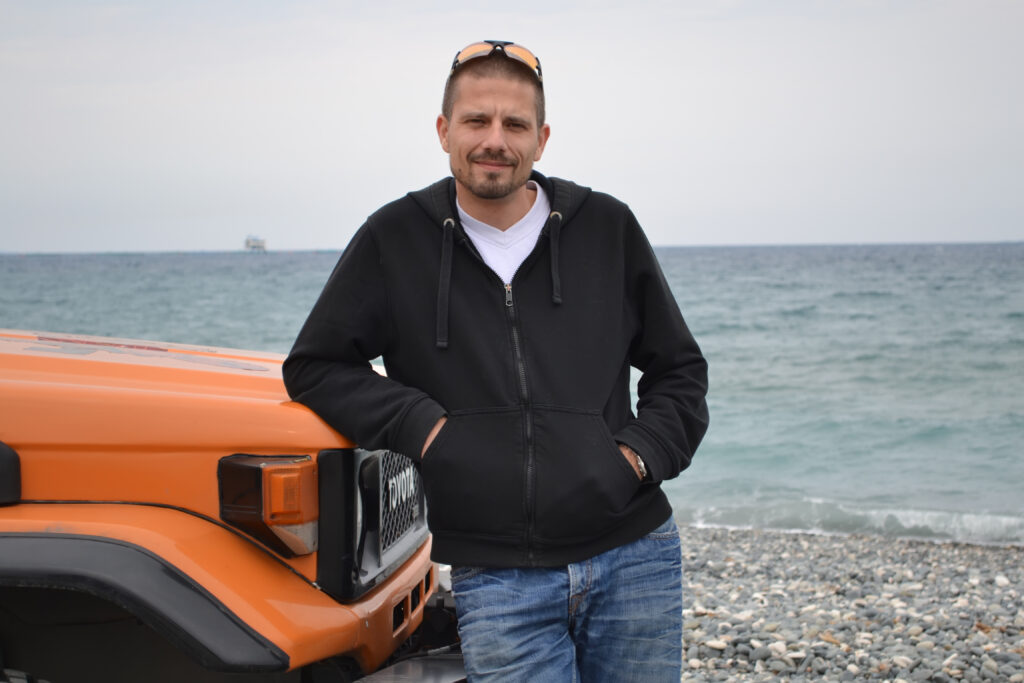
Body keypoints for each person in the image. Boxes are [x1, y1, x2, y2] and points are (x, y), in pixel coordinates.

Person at [284, 39, 709, 682]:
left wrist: (636, 458)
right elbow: (316, 366)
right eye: (476, 120)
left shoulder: (606, 227)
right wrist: (425, 428)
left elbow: (679, 370)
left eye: (514, 124)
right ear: (443, 130)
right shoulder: (394, 238)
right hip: (498, 577)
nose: (494, 141)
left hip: (634, 555)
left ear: (541, 139)